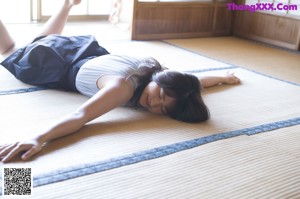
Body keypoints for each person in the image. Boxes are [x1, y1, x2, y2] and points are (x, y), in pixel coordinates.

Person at [0, 0, 240, 163]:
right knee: (11, 49)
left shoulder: (158, 72)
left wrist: (222, 77)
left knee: (45, 39)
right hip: (53, 64)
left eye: (163, 109)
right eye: (161, 97)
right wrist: (38, 138)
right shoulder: (122, 88)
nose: (154, 105)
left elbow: (196, 82)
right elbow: (79, 117)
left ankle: (66, 4)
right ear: (163, 81)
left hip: (78, 49)